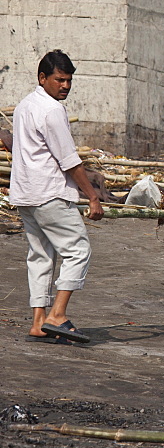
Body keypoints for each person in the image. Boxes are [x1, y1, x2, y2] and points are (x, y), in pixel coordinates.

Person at [10, 50, 104, 345]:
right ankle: (57, 315)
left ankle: (38, 323)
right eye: (59, 80)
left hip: (26, 193)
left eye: (68, 80)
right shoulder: (51, 110)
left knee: (41, 256)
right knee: (78, 250)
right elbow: (69, 159)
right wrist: (92, 196)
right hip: (48, 193)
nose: (65, 86)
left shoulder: (25, 105)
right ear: (43, 78)